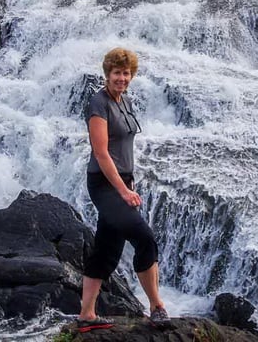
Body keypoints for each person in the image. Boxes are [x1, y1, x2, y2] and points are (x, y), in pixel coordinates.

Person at [76, 47, 169, 333]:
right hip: (105, 185)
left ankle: (86, 315)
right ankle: (157, 307)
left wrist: (129, 184)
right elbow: (102, 154)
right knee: (145, 238)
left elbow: (124, 149)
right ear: (107, 74)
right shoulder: (98, 103)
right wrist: (123, 192)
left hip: (122, 182)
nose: (122, 78)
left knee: (107, 250)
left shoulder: (124, 101)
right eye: (117, 73)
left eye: (126, 73)